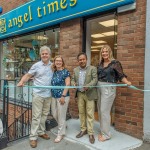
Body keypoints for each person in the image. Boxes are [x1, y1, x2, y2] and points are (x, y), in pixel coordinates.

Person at [17, 46, 53, 148]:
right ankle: (33, 137)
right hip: (38, 94)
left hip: (48, 94)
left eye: (46, 53)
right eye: (43, 54)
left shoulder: (53, 65)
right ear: (40, 55)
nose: (45, 55)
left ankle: (41, 132)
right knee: (36, 116)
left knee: (44, 115)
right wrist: (21, 81)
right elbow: (28, 75)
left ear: (49, 55)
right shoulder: (36, 65)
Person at [97, 45, 131, 142]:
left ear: (110, 52)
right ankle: (103, 131)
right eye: (103, 52)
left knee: (104, 111)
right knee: (100, 110)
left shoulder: (115, 63)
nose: (104, 53)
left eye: (106, 52)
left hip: (109, 88)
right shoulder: (100, 63)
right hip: (99, 87)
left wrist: (127, 82)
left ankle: (107, 135)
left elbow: (121, 75)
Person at [71, 52, 98, 144]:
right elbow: (72, 79)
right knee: (81, 113)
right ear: (78, 61)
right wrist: (73, 83)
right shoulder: (75, 70)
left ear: (86, 60)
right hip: (80, 94)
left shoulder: (93, 69)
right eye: (80, 60)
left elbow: (95, 80)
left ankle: (90, 133)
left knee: (90, 114)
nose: (81, 61)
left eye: (83, 59)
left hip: (89, 94)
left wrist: (88, 86)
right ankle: (83, 129)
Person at [51, 55, 70, 143]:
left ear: (62, 62)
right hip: (54, 96)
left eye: (60, 61)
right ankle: (63, 125)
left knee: (61, 116)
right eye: (56, 61)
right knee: (54, 114)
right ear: (54, 62)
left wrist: (63, 96)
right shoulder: (54, 72)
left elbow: (67, 84)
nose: (58, 62)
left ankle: (60, 134)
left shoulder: (65, 72)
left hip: (62, 96)